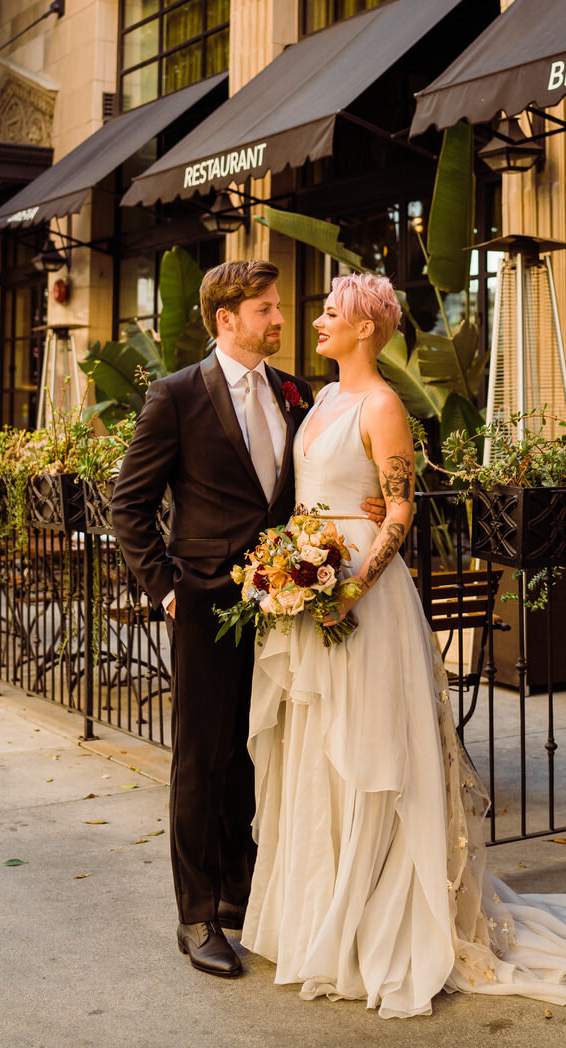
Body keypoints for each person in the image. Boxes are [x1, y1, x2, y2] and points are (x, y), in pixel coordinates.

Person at [242, 271, 566, 1019]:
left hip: (360, 595)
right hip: (311, 587)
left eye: (332, 312)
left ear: (367, 326)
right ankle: (323, 914)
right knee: (321, 751)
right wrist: (294, 573)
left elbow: (398, 509)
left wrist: (348, 589)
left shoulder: (383, 403)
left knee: (371, 754)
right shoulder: (321, 398)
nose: (319, 321)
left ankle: (384, 921)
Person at [110, 259, 383, 980]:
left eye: (277, 305)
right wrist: (168, 591)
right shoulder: (175, 396)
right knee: (201, 760)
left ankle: (238, 892)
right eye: (265, 308)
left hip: (283, 602)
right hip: (203, 603)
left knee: (253, 751)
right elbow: (128, 506)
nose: (279, 318)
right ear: (225, 318)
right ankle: (195, 915)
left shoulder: (293, 391)